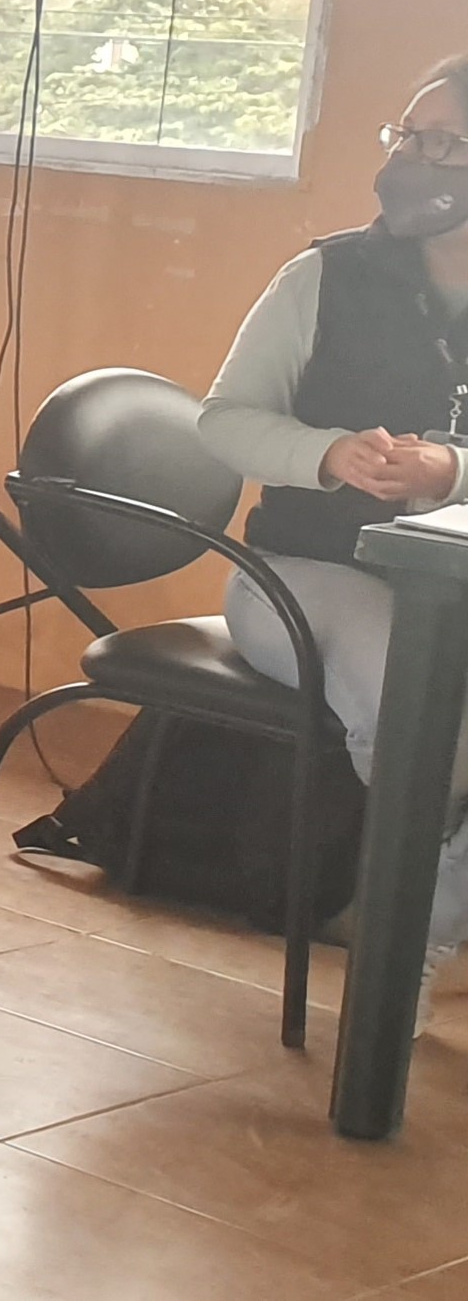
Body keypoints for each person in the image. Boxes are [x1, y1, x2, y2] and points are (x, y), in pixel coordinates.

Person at [202, 55, 468, 1005]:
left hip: (447, 586)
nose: (411, 161)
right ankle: (400, 966)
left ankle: (418, 918)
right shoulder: (325, 276)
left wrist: (449, 472)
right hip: (301, 573)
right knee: (423, 717)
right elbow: (223, 421)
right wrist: (329, 454)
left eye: (443, 144)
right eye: (406, 137)